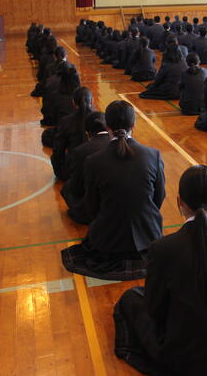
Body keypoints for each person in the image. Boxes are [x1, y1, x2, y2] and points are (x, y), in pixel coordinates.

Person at [113, 165, 207, 376]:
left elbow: (155, 310)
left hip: (184, 354)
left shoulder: (162, 248)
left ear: (179, 202)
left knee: (131, 298)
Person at [61, 100, 166, 280]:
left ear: (107, 126)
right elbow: (159, 196)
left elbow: (92, 206)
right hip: (147, 236)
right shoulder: (153, 155)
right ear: (134, 124)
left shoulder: (93, 161)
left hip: (108, 239)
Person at [60, 111, 109, 224]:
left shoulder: (80, 152)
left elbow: (76, 188)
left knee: (67, 188)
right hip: (118, 208)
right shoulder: (122, 145)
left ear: (87, 134)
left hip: (95, 211)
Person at [51, 86, 94, 180]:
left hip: (74, 170)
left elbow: (58, 151)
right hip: (96, 170)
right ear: (92, 101)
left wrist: (61, 171)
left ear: (73, 102)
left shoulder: (66, 121)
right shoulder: (101, 119)